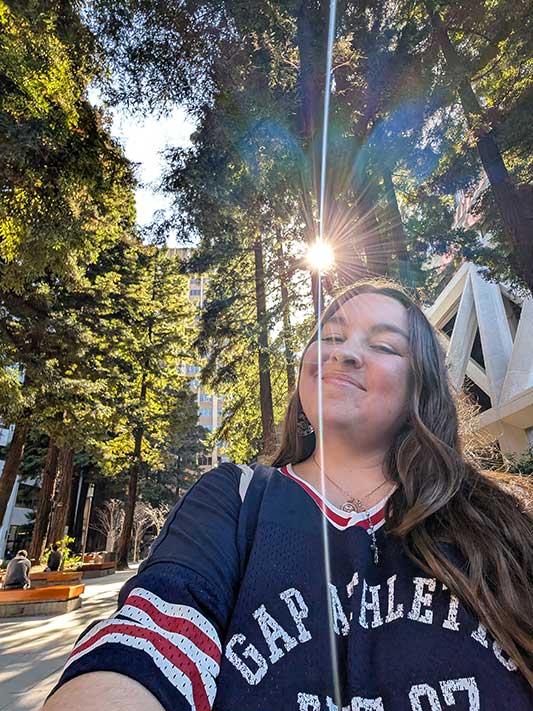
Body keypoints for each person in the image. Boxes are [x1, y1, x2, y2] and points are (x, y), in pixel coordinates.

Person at [44, 282, 533, 711]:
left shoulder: (495, 517)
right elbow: (149, 641)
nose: (344, 354)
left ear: (420, 386)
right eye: (331, 337)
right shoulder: (235, 499)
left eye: (383, 345)